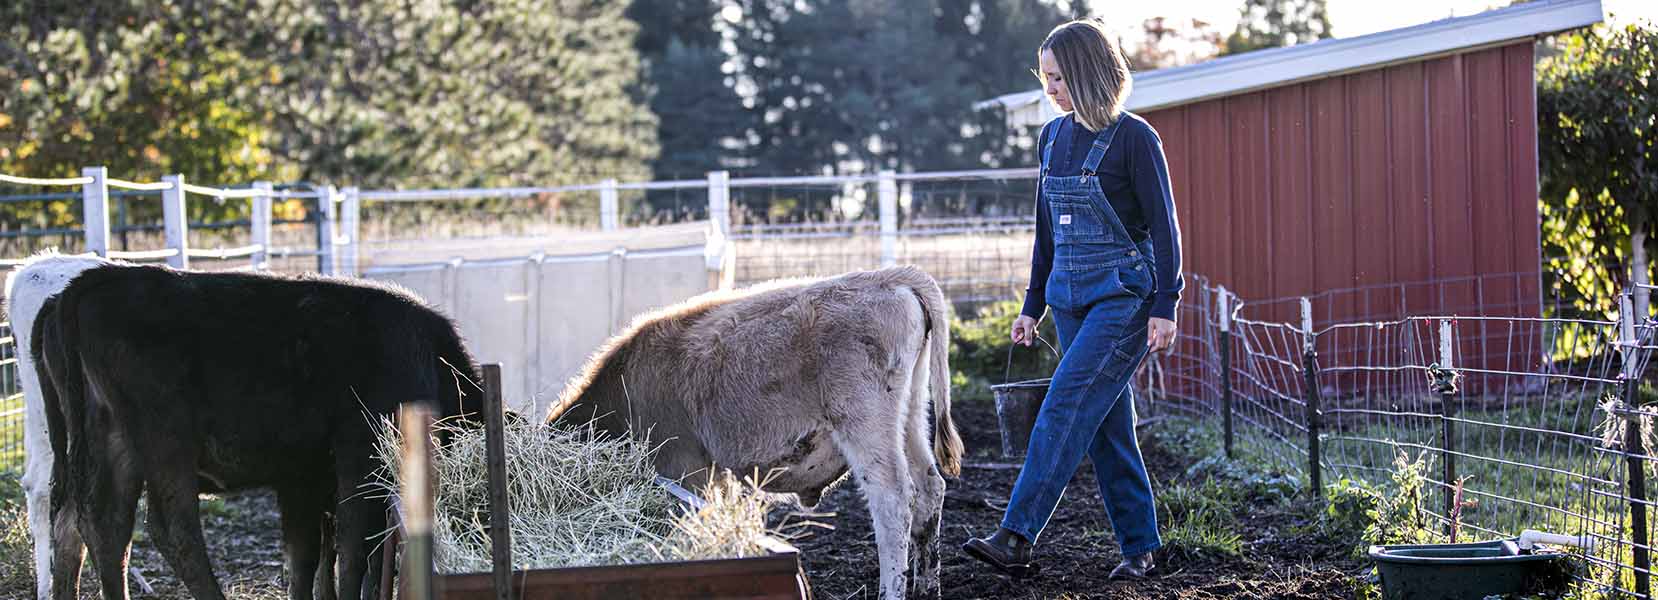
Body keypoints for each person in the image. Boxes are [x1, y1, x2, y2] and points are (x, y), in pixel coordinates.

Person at [962, 18, 1184, 583]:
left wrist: (1166, 303)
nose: (1049, 88)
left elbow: (1165, 229)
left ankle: (1015, 535)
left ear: (1085, 73)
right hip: (1067, 300)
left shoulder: (1135, 138)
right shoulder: (1053, 138)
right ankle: (1142, 549)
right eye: (1044, 77)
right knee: (1107, 429)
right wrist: (1031, 306)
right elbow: (1046, 233)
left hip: (1124, 300)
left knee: (1063, 405)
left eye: (1057, 77)